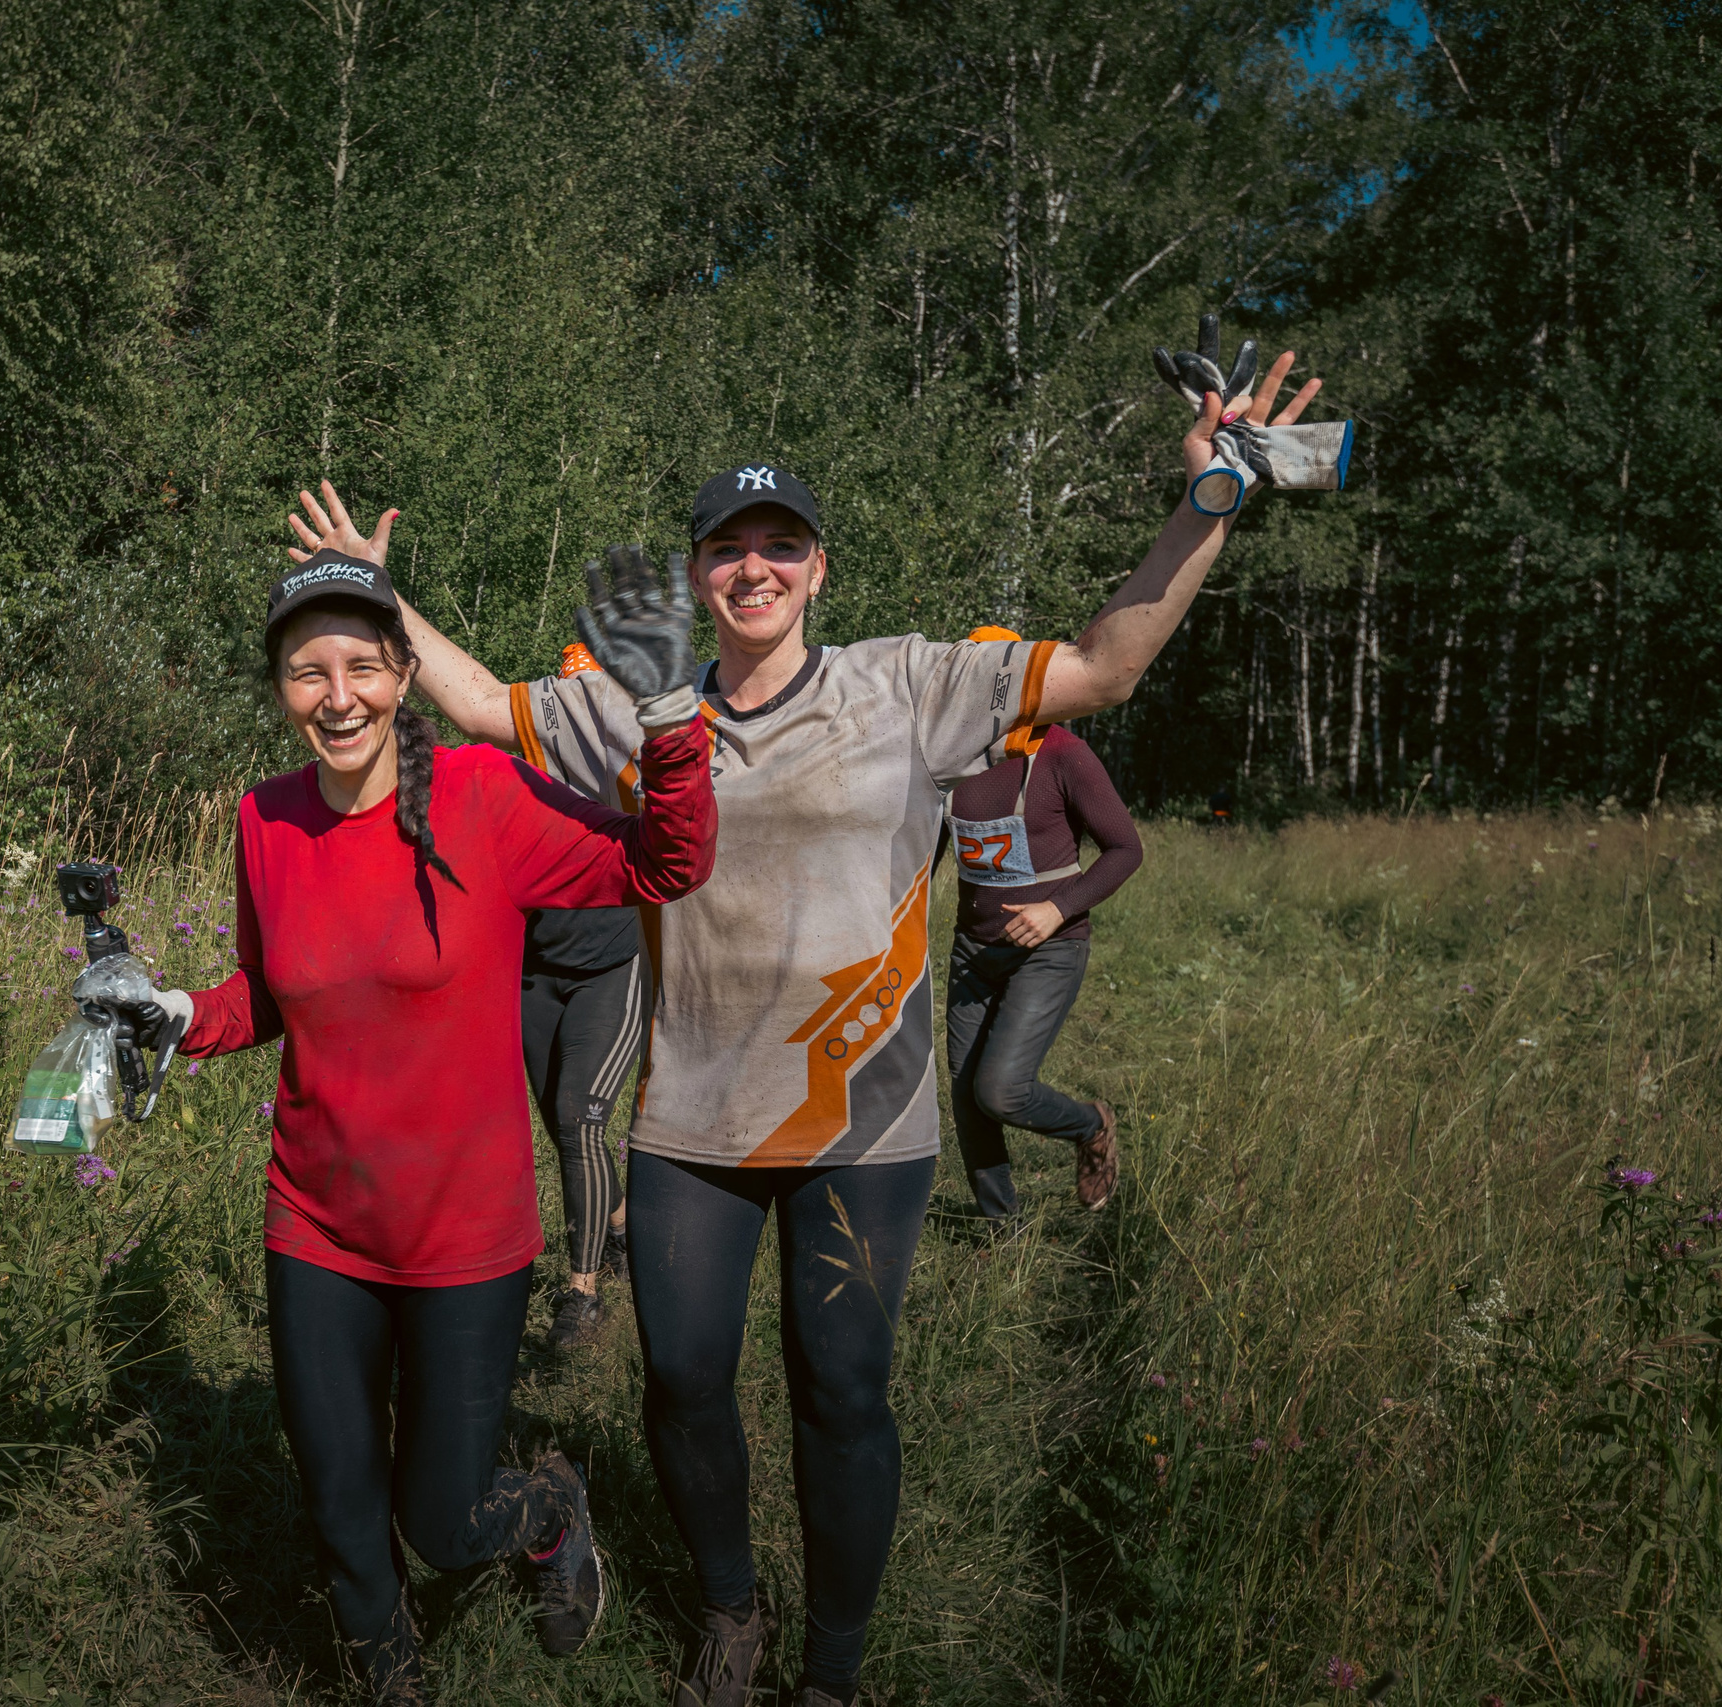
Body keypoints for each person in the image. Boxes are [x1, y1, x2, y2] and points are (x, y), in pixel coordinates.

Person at [283, 338, 1321, 1707]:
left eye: (782, 543)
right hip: (693, 1111)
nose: (754, 565)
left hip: (862, 1116)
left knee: (841, 1388)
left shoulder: (910, 681)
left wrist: (1209, 502)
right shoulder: (637, 704)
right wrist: (371, 590)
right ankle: (730, 1609)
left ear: (819, 567)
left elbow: (1107, 664)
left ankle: (832, 1666)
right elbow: (474, 703)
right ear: (701, 570)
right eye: (728, 545)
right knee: (686, 1382)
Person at [87, 541, 716, 1705]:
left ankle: (548, 1508)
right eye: (306, 672)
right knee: (338, 1504)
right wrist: (171, 1010)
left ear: (400, 671)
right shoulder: (263, 819)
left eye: (362, 667)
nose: (337, 697)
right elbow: (270, 995)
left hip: (463, 1236)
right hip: (317, 1220)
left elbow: (668, 864)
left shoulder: (481, 796)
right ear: (278, 689)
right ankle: (393, 1679)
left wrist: (670, 718)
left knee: (441, 1516)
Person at [940, 626, 1143, 1226]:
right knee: (965, 1097)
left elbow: (1125, 850)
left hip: (1049, 949)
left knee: (1000, 1091)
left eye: (998, 678)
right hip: (973, 950)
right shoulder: (948, 757)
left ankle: (1091, 1124)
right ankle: (1000, 1230)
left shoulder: (1062, 754)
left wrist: (1057, 909)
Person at [519, 640, 645, 1351]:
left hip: (615, 967)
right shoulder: (524, 771)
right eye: (568, 698)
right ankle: (620, 1223)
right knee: (560, 1125)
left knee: (581, 1121)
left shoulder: (634, 768)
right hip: (535, 971)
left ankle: (582, 1293)